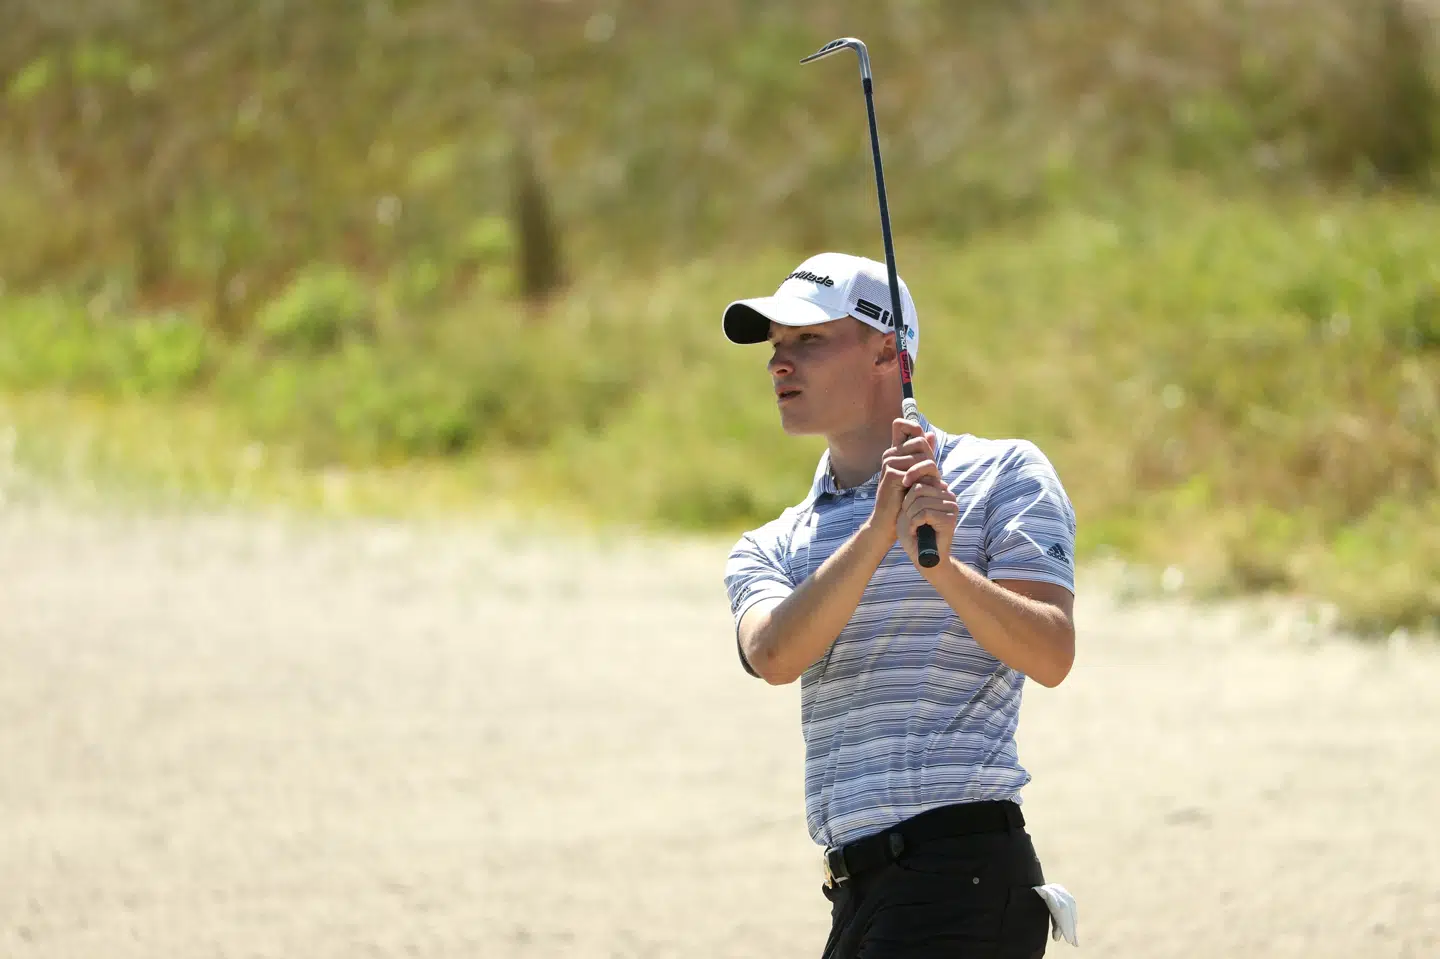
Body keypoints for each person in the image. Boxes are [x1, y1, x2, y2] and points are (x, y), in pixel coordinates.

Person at [720, 252, 1080, 957]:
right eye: (776, 348)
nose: (779, 365)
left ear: (889, 351)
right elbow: (773, 654)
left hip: (964, 874)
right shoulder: (773, 541)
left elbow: (1051, 651)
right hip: (855, 896)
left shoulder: (1005, 473)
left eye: (809, 341)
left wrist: (938, 564)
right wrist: (879, 529)